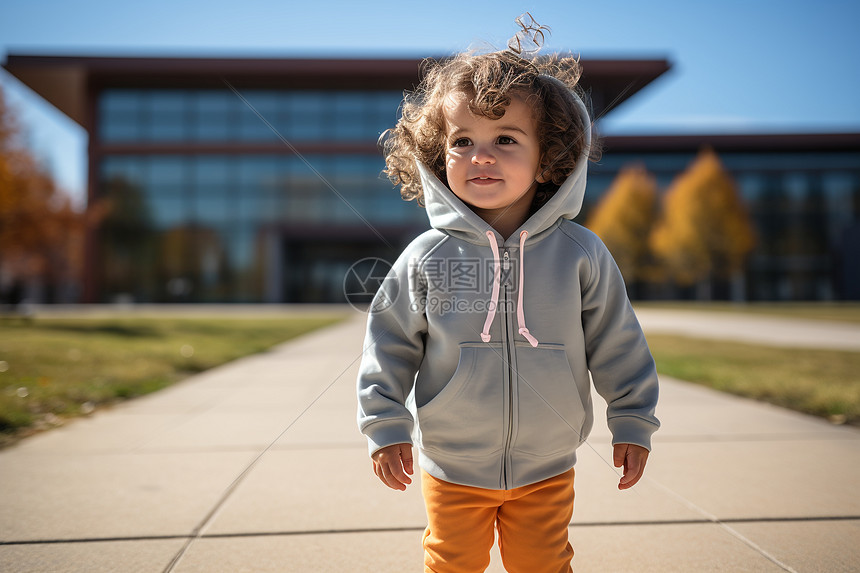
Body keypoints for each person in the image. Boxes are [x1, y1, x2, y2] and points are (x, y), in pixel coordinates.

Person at [356, 17, 659, 573]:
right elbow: (389, 345)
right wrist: (385, 425)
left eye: (505, 139)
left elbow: (618, 340)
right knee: (453, 563)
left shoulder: (581, 252)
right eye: (462, 141)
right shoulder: (427, 255)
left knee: (543, 563)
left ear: (547, 157)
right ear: (436, 156)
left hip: (548, 463)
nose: (481, 156)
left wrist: (633, 418)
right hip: (453, 463)